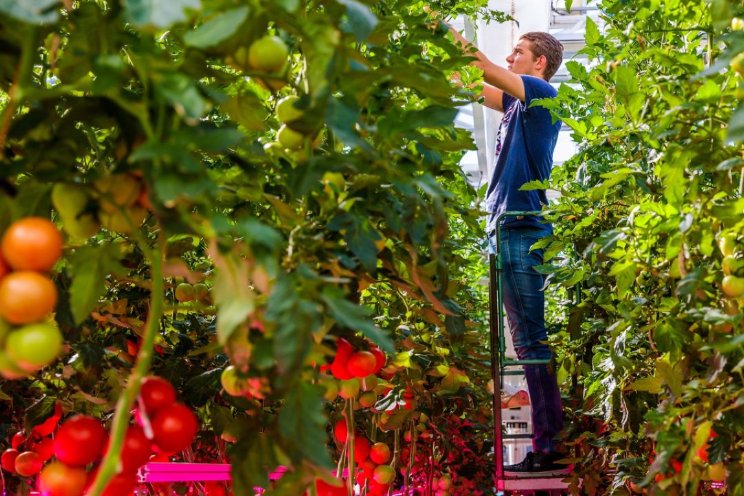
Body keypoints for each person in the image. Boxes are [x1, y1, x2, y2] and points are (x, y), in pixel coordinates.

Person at [446, 21, 568, 476]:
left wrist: (439, 26)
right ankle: (547, 441)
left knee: (532, 342)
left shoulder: (540, 94)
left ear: (539, 63)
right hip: (506, 229)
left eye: (518, 51)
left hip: (521, 226)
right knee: (524, 341)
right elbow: (465, 81)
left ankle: (550, 445)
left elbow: (481, 66)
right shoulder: (517, 108)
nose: (511, 56)